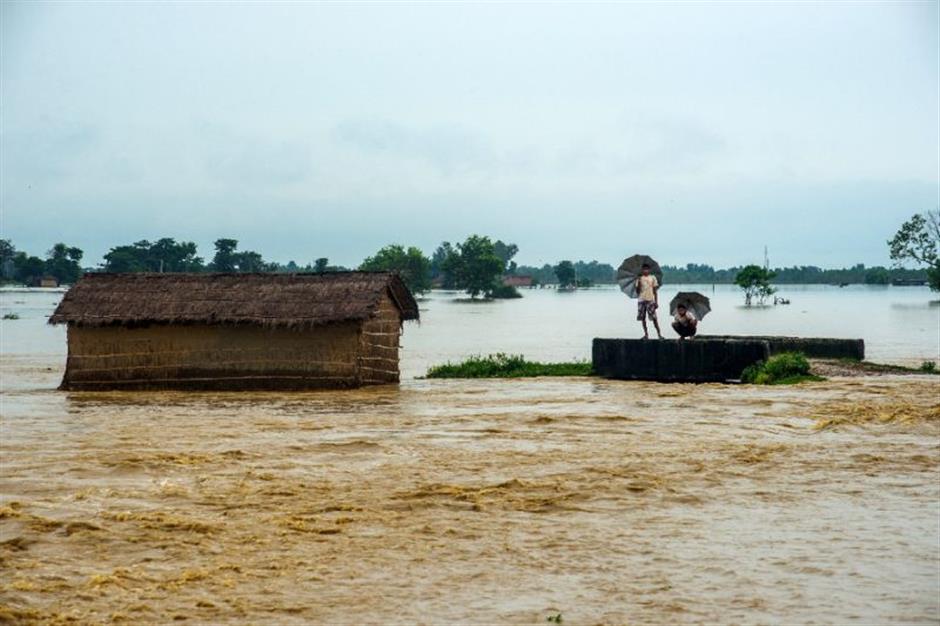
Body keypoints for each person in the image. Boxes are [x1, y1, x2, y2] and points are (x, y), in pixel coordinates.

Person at [635, 264, 663, 339]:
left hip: (650, 300)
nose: (645, 271)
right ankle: (646, 334)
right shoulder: (639, 278)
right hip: (641, 300)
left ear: (649, 270)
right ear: (642, 270)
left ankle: (659, 334)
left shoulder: (652, 278)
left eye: (647, 269)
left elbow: (655, 291)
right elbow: (637, 291)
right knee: (643, 318)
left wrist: (656, 302)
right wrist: (638, 282)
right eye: (644, 269)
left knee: (654, 318)